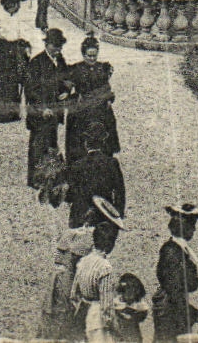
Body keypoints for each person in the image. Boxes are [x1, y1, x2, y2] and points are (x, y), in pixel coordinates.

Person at [26, 29, 71, 188]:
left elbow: (67, 80)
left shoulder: (61, 61)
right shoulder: (36, 63)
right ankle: (35, 179)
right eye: (54, 46)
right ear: (46, 44)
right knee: (38, 144)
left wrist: (66, 91)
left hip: (54, 112)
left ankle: (49, 176)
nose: (57, 49)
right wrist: (42, 108)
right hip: (40, 113)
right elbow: (31, 90)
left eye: (60, 46)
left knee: (51, 144)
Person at [65, 34, 120, 161]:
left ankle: (105, 159)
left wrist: (108, 99)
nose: (92, 58)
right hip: (83, 107)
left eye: (94, 55)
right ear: (83, 54)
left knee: (106, 127)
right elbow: (68, 88)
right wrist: (73, 97)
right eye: (89, 55)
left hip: (99, 107)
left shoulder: (103, 68)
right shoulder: (76, 69)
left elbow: (107, 88)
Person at [152, 204, 198, 343]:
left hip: (172, 307)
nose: (194, 230)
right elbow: (174, 291)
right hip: (171, 310)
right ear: (185, 228)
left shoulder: (174, 248)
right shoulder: (174, 252)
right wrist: (193, 314)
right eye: (192, 226)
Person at [71, 214, 124, 343]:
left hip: (83, 316)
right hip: (98, 321)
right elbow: (106, 308)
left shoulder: (83, 261)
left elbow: (73, 295)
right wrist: (116, 330)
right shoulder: (104, 267)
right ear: (110, 245)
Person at [66, 124, 127, 230]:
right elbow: (120, 192)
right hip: (104, 216)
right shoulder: (112, 163)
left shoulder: (77, 165)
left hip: (81, 216)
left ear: (86, 144)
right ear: (103, 142)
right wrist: (117, 214)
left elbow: (69, 195)